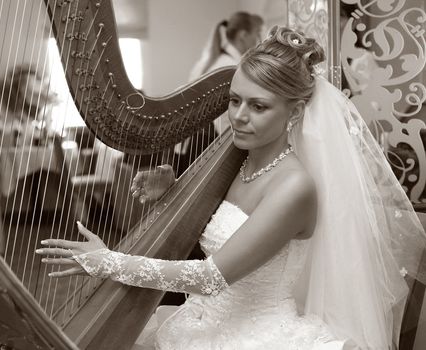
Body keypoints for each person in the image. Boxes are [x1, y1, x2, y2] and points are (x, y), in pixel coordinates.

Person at [36, 27, 426, 349]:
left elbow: (210, 277)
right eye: (235, 100)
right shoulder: (238, 162)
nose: (239, 116)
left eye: (259, 107)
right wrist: (174, 188)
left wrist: (107, 261)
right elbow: (222, 225)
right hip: (204, 325)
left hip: (257, 335)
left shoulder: (294, 188)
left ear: (295, 112)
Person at [175, 12, 263, 175]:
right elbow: (224, 118)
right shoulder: (231, 66)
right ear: (243, 35)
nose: (258, 40)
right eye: (257, 33)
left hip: (195, 144)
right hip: (209, 144)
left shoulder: (208, 60)